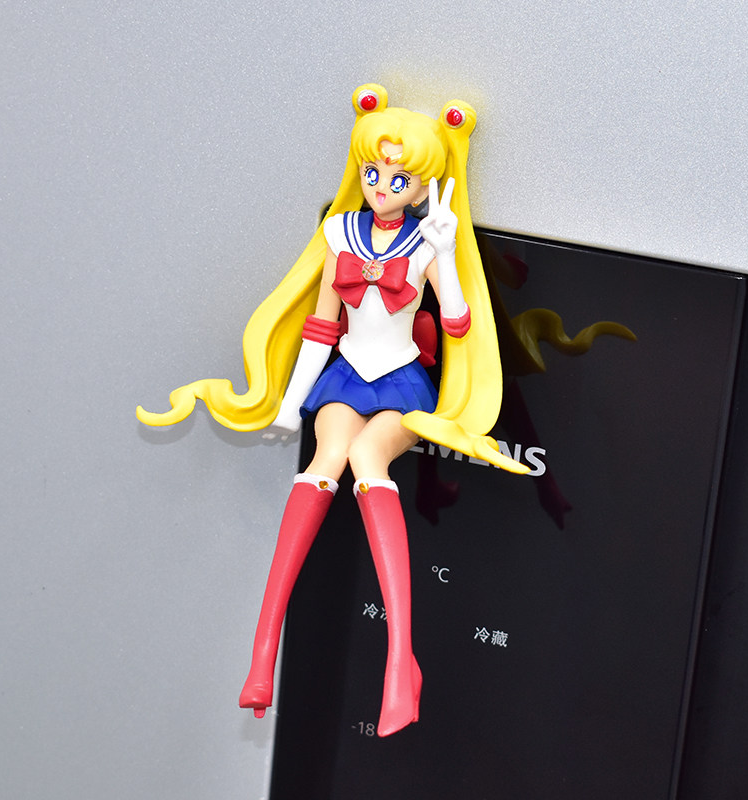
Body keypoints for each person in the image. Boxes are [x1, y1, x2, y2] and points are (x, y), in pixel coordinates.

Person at [137, 84, 528, 737]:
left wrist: (445, 252)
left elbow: (457, 324)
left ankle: (400, 660)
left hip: (400, 380)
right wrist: (292, 401)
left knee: (369, 457)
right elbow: (321, 327)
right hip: (344, 373)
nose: (381, 186)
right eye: (373, 172)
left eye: (398, 178)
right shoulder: (339, 231)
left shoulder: (425, 242)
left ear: (421, 185)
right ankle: (263, 652)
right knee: (325, 459)